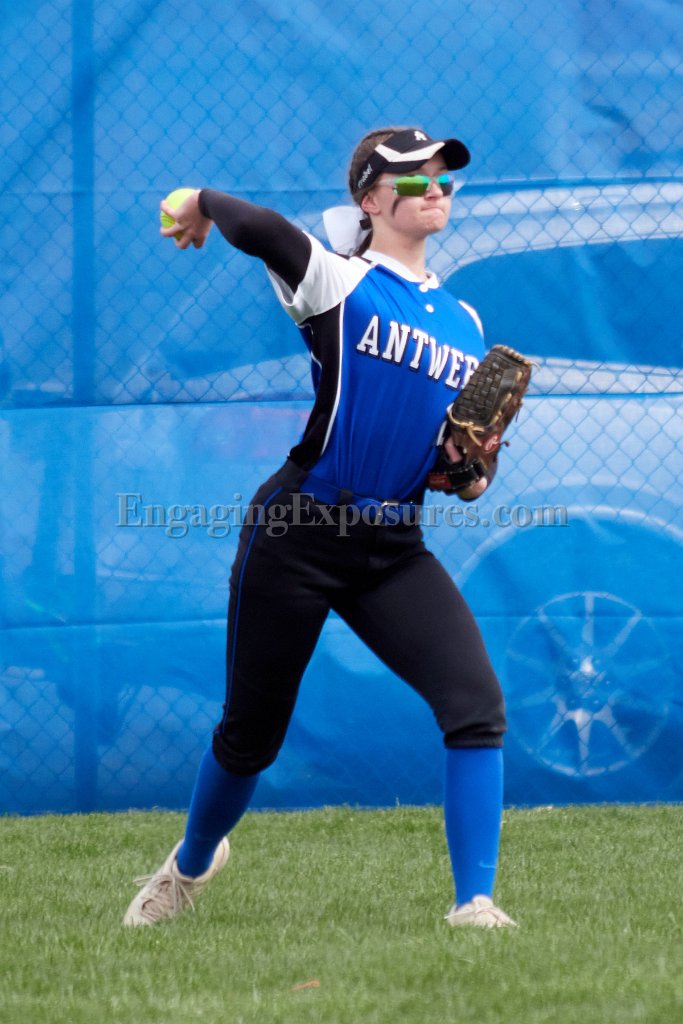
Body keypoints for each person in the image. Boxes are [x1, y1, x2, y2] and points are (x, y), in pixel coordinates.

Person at [122, 126, 516, 929]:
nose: (435, 189)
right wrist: (200, 201)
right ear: (370, 198)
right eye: (414, 179)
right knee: (249, 738)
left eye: (443, 179)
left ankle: (473, 904)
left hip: (392, 548)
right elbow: (264, 230)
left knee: (475, 705)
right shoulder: (337, 281)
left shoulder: (465, 322)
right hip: (298, 532)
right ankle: (189, 864)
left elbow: (455, 471)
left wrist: (463, 468)